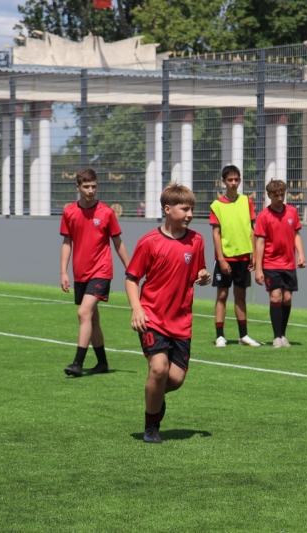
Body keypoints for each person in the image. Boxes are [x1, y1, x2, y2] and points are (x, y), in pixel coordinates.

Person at [125, 183, 211, 444]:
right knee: (159, 369)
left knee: (175, 379)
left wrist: (203, 276)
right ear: (167, 209)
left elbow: (198, 271)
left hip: (181, 321)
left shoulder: (196, 241)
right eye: (184, 209)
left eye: (192, 209)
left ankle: (155, 399)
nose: (190, 214)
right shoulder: (149, 242)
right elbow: (131, 278)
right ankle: (151, 427)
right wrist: (137, 308)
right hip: (152, 317)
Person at [60, 168, 130, 377]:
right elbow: (67, 243)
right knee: (93, 319)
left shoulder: (106, 212)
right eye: (86, 187)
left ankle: (77, 363)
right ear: (78, 187)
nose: (91, 190)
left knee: (83, 313)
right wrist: (63, 272)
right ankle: (102, 363)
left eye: (94, 186)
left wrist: (131, 268)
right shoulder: (69, 212)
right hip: (80, 273)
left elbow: (118, 243)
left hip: (101, 271)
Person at [209, 164, 260, 348]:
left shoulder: (247, 201)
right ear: (223, 182)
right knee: (222, 294)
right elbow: (216, 234)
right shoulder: (216, 205)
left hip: (244, 257)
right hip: (225, 258)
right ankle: (220, 336)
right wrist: (221, 259)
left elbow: (252, 229)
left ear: (240, 181)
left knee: (241, 295)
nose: (233, 183)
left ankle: (243, 335)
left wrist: (254, 254)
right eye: (230, 180)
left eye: (236, 179)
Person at [254, 179, 307, 349]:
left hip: (289, 264)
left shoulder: (292, 212)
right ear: (269, 195)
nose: (279, 198)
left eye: (281, 194)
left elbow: (296, 234)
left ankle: (283, 334)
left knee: (287, 298)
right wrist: (258, 269)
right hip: (271, 263)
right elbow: (260, 242)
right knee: (276, 296)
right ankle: (276, 337)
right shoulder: (264, 216)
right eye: (275, 195)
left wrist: (301, 255)